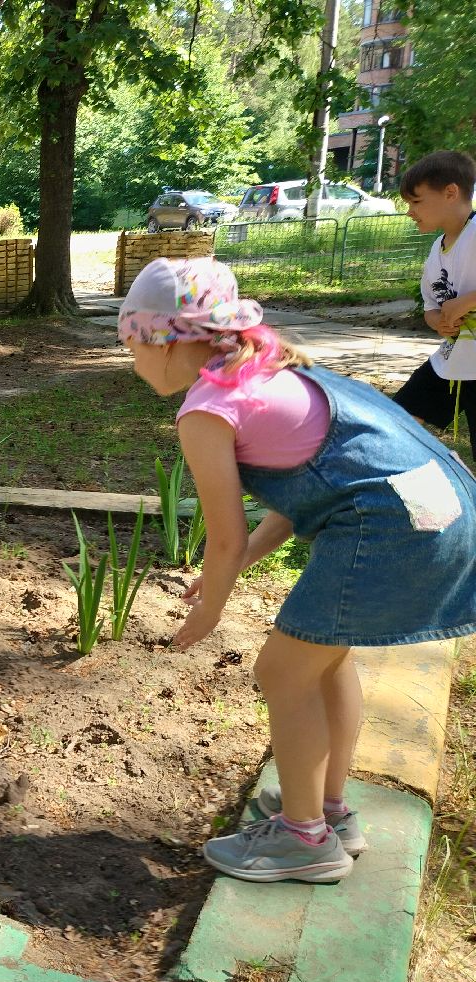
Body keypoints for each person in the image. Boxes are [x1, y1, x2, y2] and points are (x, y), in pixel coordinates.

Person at [119, 257, 476, 884]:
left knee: (281, 670)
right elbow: (310, 490)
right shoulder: (266, 368)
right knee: (325, 660)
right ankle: (327, 811)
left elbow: (223, 539)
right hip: (441, 510)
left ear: (166, 340)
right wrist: (235, 568)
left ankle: (304, 841)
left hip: (390, 528)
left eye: (130, 343)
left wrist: (206, 612)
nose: (132, 360)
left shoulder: (206, 410)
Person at [393, 149, 476, 459]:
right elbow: (431, 306)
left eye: (416, 201)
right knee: (398, 416)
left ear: (450, 192)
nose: (410, 212)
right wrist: (437, 320)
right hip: (455, 359)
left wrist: (467, 301)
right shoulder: (436, 250)